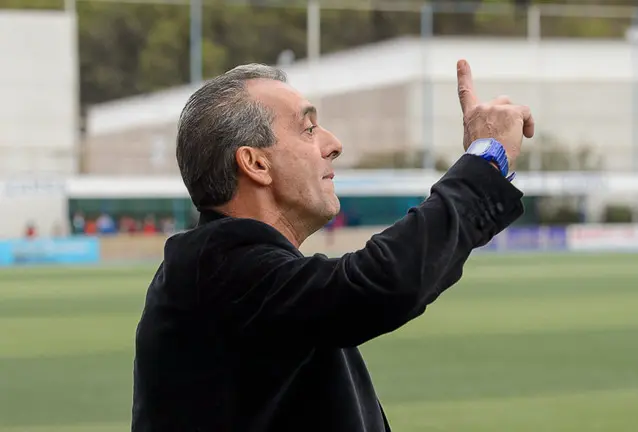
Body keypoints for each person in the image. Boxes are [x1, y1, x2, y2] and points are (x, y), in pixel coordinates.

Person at [132, 59, 534, 431]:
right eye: (308, 129)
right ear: (255, 163)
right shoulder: (217, 271)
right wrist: (486, 158)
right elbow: (383, 282)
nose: (333, 143)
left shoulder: (232, 269)